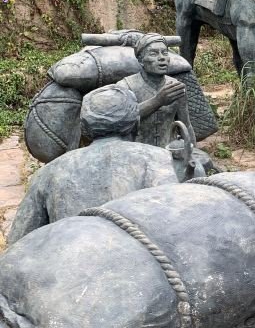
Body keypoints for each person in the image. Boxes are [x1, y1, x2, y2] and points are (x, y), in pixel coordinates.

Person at [7, 84, 178, 244]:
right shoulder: (156, 158)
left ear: (85, 129)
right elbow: (172, 225)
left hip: (67, 264)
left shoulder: (48, 171)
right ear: (136, 122)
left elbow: (19, 242)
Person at [117, 33, 196, 148]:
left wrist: (192, 154)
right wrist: (157, 101)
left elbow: (186, 126)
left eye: (164, 53)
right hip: (135, 154)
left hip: (167, 154)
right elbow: (122, 121)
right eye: (154, 53)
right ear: (141, 60)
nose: (161, 57)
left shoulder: (176, 87)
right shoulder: (125, 86)